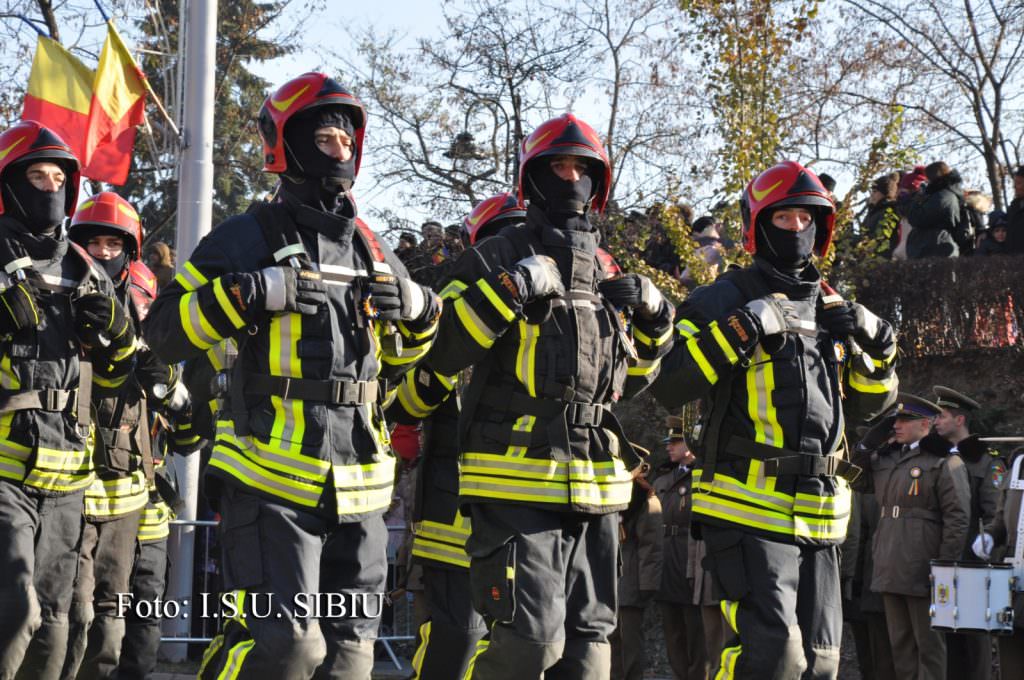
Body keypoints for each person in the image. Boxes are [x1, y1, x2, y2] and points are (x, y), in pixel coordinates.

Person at [143, 72, 441, 680]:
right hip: (270, 481)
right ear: (289, 145)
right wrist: (250, 293)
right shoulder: (244, 237)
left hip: (359, 490)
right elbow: (164, 331)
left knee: (351, 661)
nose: (341, 150)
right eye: (326, 138)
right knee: (285, 649)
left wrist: (415, 311)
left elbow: (402, 366)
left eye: (346, 139)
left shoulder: (373, 250)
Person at [422, 112, 674, 679]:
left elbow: (626, 382)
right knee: (529, 645)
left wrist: (657, 321)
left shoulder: (608, 269)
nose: (570, 179)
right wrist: (509, 290)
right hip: (512, 481)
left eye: (581, 168)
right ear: (532, 177)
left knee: (590, 659)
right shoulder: (493, 256)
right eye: (557, 167)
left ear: (599, 181)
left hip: (595, 488)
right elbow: (439, 353)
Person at [651, 159, 899, 679]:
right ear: (759, 225)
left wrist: (878, 346)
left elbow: (868, 406)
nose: (796, 229)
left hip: (822, 514)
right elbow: (670, 381)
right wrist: (745, 327)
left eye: (806, 219)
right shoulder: (722, 297)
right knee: (773, 659)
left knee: (823, 662)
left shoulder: (832, 304)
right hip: (747, 508)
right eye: (783, 219)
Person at [0, 121, 137, 680]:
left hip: (68, 478)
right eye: (37, 175)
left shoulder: (84, 269)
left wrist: (113, 334)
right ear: (9, 184)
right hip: (4, 470)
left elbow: (115, 381)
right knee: (13, 612)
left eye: (60, 178)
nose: (50, 188)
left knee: (58, 625)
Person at [61, 193, 183, 680]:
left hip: (145, 491)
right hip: (78, 488)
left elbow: (182, 409)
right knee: (78, 622)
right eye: (95, 242)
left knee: (141, 626)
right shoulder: (62, 298)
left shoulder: (149, 301)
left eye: (115, 243)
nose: (105, 251)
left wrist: (173, 393)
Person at [851, 395, 971, 680]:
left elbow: (958, 517)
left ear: (925, 424)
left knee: (928, 647)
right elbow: (853, 477)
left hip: (923, 565)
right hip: (889, 563)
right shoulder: (887, 458)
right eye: (896, 420)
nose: (897, 426)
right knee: (900, 646)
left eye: (905, 420)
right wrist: (868, 443)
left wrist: (944, 566)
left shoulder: (943, 461)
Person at [932, 385, 1006, 680]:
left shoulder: (987, 462)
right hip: (942, 560)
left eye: (942, 416)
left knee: (975, 645)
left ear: (959, 420)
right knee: (947, 642)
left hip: (974, 566)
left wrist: (989, 565)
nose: (936, 422)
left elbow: (996, 517)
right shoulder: (935, 457)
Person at [652, 416, 707, 680]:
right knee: (672, 631)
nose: (668, 447)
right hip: (665, 561)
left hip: (690, 560)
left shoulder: (704, 476)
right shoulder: (662, 479)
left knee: (697, 633)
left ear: (689, 443)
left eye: (675, 442)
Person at [972, 445, 1024, 680]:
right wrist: (990, 535)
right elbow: (1002, 517)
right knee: (1011, 662)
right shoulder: (1019, 465)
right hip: (1015, 580)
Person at [610, 458, 662, 680]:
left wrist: (647, 585)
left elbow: (652, 546)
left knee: (630, 644)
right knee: (611, 644)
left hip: (631, 581)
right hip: (610, 581)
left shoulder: (645, 499)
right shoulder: (616, 493)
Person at [904, 161, 963, 258]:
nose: (926, 183)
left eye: (927, 180)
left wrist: (916, 201)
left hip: (933, 246)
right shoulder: (946, 194)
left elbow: (917, 218)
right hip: (935, 244)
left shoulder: (942, 196)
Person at [1004, 165, 1024, 254]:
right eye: (1014, 183)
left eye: (1018, 183)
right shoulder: (1013, 207)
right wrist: (985, 233)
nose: (1015, 187)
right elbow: (1001, 226)